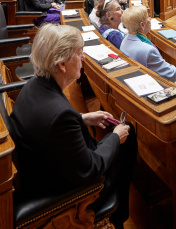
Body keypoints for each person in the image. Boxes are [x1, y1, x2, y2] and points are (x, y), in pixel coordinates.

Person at [8, 24, 136, 229]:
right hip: (65, 192)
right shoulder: (60, 115)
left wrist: (83, 117)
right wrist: (115, 137)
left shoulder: (33, 85)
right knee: (127, 137)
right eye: (79, 53)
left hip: (41, 168)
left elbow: (48, 121)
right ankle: (117, 216)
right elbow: (91, 169)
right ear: (62, 65)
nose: (83, 58)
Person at [120, 6, 176, 111]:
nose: (150, 19)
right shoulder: (147, 49)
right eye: (148, 17)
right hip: (154, 89)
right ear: (142, 25)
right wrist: (174, 68)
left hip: (140, 82)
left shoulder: (125, 41)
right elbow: (172, 75)